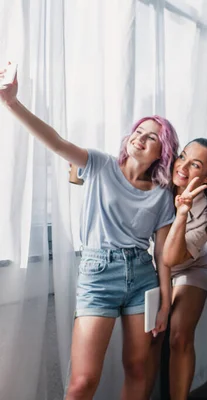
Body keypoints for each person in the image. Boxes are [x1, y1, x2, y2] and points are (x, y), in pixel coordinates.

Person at [0, 67, 178, 400]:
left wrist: (166, 304)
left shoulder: (162, 193)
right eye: (138, 131)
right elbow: (55, 142)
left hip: (143, 276)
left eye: (151, 136)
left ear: (162, 150)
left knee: (139, 370)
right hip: (98, 274)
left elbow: (163, 256)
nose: (140, 138)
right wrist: (11, 103)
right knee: (83, 380)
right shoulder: (99, 164)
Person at [144, 138, 207, 400]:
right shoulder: (157, 184)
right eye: (182, 157)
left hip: (189, 266)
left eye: (194, 165)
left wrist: (182, 213)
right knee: (151, 339)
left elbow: (170, 258)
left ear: (206, 177)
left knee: (179, 336)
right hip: (149, 267)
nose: (181, 167)